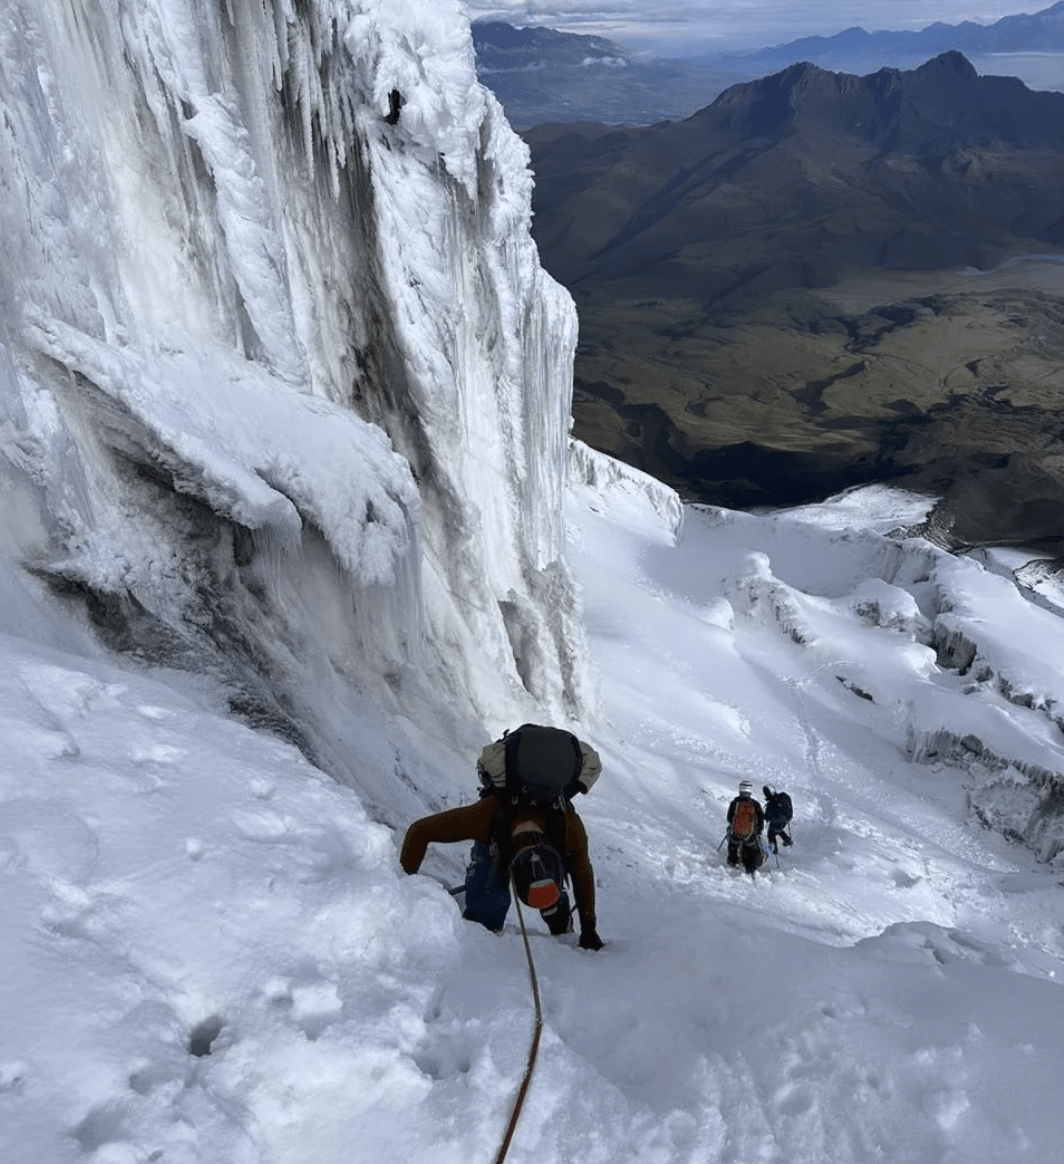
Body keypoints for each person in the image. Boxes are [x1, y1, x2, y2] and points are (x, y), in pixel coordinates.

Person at [399, 725, 604, 950]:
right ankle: (499, 931)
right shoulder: (490, 816)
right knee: (491, 897)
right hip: (498, 837)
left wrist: (401, 885)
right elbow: (582, 875)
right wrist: (588, 929)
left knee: (495, 893)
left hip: (513, 838)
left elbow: (420, 830)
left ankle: (492, 931)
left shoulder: (566, 827)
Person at [725, 779, 765, 874]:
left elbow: (729, 818)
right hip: (750, 833)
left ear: (740, 790)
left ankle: (733, 860)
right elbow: (761, 819)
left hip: (736, 832)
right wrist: (758, 831)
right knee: (751, 847)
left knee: (733, 844)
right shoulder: (755, 804)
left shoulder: (735, 803)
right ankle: (750, 865)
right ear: (749, 791)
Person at [763, 785, 793, 853]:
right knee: (777, 830)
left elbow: (768, 817)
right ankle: (787, 840)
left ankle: (774, 852)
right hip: (784, 821)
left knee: (771, 834)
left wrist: (762, 816)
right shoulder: (782, 797)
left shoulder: (772, 802)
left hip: (776, 822)